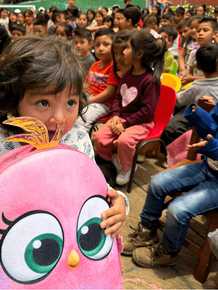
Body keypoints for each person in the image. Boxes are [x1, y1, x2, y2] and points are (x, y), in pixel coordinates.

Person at [0, 36, 129, 241]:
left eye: (70, 102)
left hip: (64, 241)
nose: (58, 118)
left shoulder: (77, 140)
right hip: (12, 240)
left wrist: (118, 202)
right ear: (13, 102)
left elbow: (95, 185)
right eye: (43, 102)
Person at [123, 96, 218, 268]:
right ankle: (147, 231)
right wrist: (199, 116)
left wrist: (211, 147)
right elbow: (213, 127)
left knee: (177, 210)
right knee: (157, 182)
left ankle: (168, 251)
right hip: (207, 166)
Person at [93, 29, 166, 186]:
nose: (123, 51)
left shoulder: (150, 80)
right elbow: (118, 98)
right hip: (122, 119)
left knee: (124, 141)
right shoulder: (126, 74)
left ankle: (127, 167)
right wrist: (115, 116)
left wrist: (124, 124)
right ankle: (111, 160)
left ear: (138, 54)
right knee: (98, 137)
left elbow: (147, 112)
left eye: (126, 48)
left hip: (141, 123)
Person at [161, 43, 218, 168]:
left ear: (197, 65)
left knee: (170, 129)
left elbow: (179, 100)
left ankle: (172, 158)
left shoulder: (197, 86)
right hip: (213, 128)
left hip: (198, 125)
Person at [76, 28, 119, 132]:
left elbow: (109, 93)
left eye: (106, 44)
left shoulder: (114, 67)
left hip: (103, 104)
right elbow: (87, 83)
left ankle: (81, 146)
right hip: (90, 97)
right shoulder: (95, 65)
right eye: (97, 45)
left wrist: (88, 101)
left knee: (81, 121)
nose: (101, 48)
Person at [181, 18, 218, 86]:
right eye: (198, 31)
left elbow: (215, 78)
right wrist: (185, 77)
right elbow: (191, 72)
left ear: (214, 33)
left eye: (205, 30)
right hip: (196, 86)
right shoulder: (193, 53)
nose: (200, 33)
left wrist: (192, 79)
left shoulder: (216, 54)